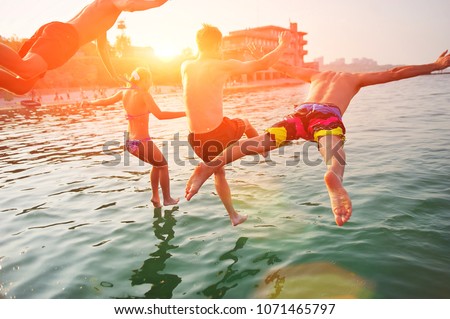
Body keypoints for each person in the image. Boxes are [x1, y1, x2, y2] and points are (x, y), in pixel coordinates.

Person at [185, 49, 450, 226]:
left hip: (299, 116)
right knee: (333, 151)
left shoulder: (315, 75)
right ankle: (333, 176)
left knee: (258, 143)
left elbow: (282, 66)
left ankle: (209, 165)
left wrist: (262, 55)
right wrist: (435, 66)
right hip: (326, 117)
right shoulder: (355, 78)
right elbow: (395, 73)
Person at [181, 24, 291, 226]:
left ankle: (234, 216)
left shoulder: (186, 66)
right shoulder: (221, 65)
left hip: (194, 138)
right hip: (217, 133)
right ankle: (264, 150)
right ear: (217, 44)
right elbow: (262, 64)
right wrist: (283, 45)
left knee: (219, 171)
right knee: (246, 123)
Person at [0, 0, 169, 95]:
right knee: (25, 69)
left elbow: (102, 48)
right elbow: (131, 4)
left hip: (60, 36)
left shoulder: (106, 15)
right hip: (64, 38)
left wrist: (113, 75)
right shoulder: (115, 2)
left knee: (21, 86)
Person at [83, 67, 185, 208]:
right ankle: (167, 199)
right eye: (149, 79)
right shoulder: (143, 94)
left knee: (157, 164)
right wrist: (186, 113)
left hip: (129, 143)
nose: (150, 82)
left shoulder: (124, 92)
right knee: (164, 165)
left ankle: (156, 197)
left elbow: (106, 101)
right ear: (145, 80)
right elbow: (160, 115)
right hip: (142, 142)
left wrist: (90, 103)